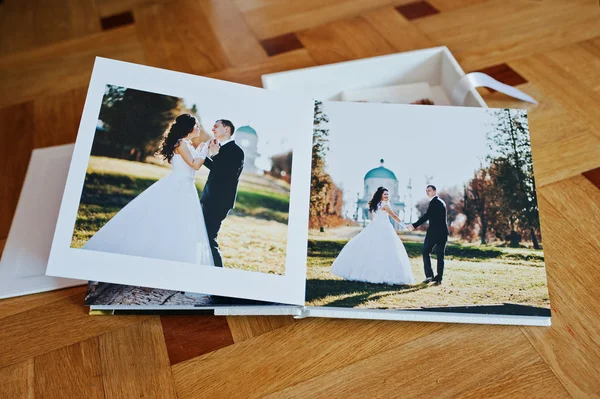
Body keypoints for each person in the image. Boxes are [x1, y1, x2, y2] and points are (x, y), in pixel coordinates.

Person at [82, 114, 214, 266]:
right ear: (189, 128)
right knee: (170, 219)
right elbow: (195, 164)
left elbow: (195, 161)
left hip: (185, 186)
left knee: (177, 221)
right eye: (196, 126)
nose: (199, 128)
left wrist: (204, 149)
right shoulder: (181, 144)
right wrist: (204, 151)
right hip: (178, 186)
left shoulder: (187, 144)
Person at [330, 186, 415, 285]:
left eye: (388, 194)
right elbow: (394, 216)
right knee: (387, 250)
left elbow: (373, 218)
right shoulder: (385, 205)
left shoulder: (374, 205)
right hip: (385, 228)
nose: (387, 196)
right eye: (385, 194)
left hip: (374, 227)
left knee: (371, 249)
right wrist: (405, 225)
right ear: (381, 195)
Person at [407, 185, 449, 284]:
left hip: (434, 233)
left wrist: (414, 225)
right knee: (440, 256)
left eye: (429, 190)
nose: (427, 192)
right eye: (426, 191)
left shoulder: (434, 202)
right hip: (443, 233)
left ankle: (429, 276)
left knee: (426, 252)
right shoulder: (441, 202)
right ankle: (439, 279)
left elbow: (427, 216)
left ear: (435, 191)